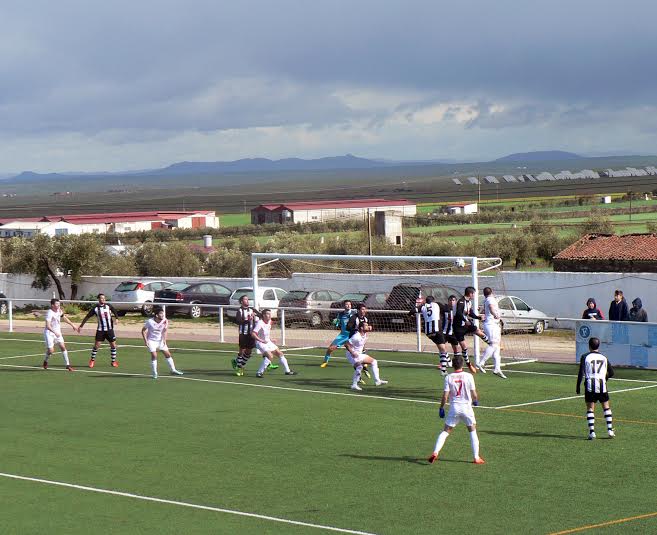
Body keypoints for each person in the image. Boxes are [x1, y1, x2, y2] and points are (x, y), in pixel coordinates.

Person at [428, 354, 485, 465]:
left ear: (452, 365)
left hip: (454, 408)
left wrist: (441, 408)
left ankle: (435, 452)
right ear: (462, 365)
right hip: (466, 408)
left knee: (445, 431)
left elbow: (445, 396)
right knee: (472, 430)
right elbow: (474, 393)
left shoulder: (448, 377)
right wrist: (475, 401)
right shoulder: (469, 376)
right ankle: (476, 457)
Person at [576, 337, 615, 440]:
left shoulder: (585, 357)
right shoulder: (604, 357)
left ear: (589, 346)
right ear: (599, 346)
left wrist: (578, 387)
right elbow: (611, 373)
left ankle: (592, 432)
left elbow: (581, 373)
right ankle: (610, 430)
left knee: (590, 408)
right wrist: (604, 378)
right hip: (602, 386)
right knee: (606, 407)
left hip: (590, 386)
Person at [453, 286, 490, 374]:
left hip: (467, 324)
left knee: (478, 331)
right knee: (464, 348)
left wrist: (478, 317)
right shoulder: (461, 302)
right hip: (458, 327)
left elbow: (471, 313)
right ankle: (469, 365)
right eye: (473, 294)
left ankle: (492, 344)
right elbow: (458, 313)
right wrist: (465, 320)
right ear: (470, 294)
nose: (474, 295)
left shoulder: (469, 302)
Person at [344, 321, 388, 391]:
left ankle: (377, 381)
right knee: (359, 366)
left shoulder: (364, 334)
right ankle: (354, 385)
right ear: (361, 328)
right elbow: (346, 344)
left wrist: (363, 349)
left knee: (374, 361)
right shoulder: (356, 336)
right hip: (351, 355)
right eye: (366, 325)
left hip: (359, 354)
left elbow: (362, 343)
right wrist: (352, 352)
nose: (368, 326)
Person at [79, 293, 120, 368]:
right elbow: (87, 316)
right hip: (100, 330)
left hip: (109, 330)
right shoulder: (95, 308)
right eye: (101, 298)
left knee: (113, 345)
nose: (103, 299)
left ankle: (113, 361)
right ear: (98, 299)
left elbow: (114, 311)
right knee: (97, 346)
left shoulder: (108, 306)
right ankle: (92, 360)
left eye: (104, 298)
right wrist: (81, 326)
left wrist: (117, 318)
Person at [252, 309, 297, 378]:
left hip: (268, 341)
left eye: (270, 314)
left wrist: (270, 339)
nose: (269, 315)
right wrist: (261, 340)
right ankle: (259, 372)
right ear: (264, 315)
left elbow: (266, 333)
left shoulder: (270, 322)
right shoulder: (260, 323)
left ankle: (287, 371)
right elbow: (253, 334)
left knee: (280, 353)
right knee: (270, 356)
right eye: (267, 314)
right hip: (260, 343)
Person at [142, 307, 184, 379]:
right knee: (154, 355)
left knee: (168, 354)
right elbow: (143, 331)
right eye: (161, 314)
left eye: (163, 313)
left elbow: (165, 330)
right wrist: (146, 341)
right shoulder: (150, 322)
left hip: (160, 341)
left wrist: (164, 340)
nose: (162, 315)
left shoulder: (165, 321)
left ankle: (173, 370)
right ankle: (154, 373)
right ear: (156, 315)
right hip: (151, 341)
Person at [412, 296, 450, 375]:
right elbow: (447, 309)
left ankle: (449, 362)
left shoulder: (423, 306)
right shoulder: (437, 304)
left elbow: (412, 311)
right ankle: (443, 370)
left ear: (426, 301)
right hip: (437, 330)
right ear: (434, 301)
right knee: (443, 349)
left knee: (441, 347)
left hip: (428, 333)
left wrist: (410, 315)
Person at [476, 287, 506, 378]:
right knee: (493, 344)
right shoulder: (490, 299)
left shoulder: (486, 300)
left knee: (497, 347)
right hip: (491, 324)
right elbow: (491, 307)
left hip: (493, 325)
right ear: (492, 292)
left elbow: (485, 309)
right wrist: (495, 314)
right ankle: (481, 362)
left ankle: (497, 368)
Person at [43, 298, 79, 371]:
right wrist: (55, 332)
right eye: (57, 304)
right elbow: (48, 326)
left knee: (63, 347)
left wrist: (73, 325)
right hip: (49, 333)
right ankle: (45, 361)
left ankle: (68, 365)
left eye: (59, 304)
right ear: (52, 305)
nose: (58, 305)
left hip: (57, 333)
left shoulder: (59, 311)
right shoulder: (49, 313)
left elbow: (64, 318)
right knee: (51, 351)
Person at [321, 299, 356, 367]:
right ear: (343, 306)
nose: (348, 305)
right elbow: (337, 324)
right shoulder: (340, 314)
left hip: (353, 335)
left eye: (349, 304)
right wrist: (335, 322)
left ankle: (364, 364)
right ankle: (325, 361)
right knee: (330, 348)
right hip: (343, 335)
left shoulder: (354, 313)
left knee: (361, 349)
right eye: (346, 304)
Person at [231, 294, 261, 376]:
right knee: (242, 350)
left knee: (249, 352)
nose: (247, 300)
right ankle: (239, 368)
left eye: (248, 299)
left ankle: (238, 362)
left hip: (251, 334)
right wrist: (248, 320)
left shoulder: (252, 309)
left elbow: (261, 315)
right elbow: (238, 321)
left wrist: (260, 315)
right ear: (241, 302)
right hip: (243, 334)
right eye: (245, 299)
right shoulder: (240, 311)